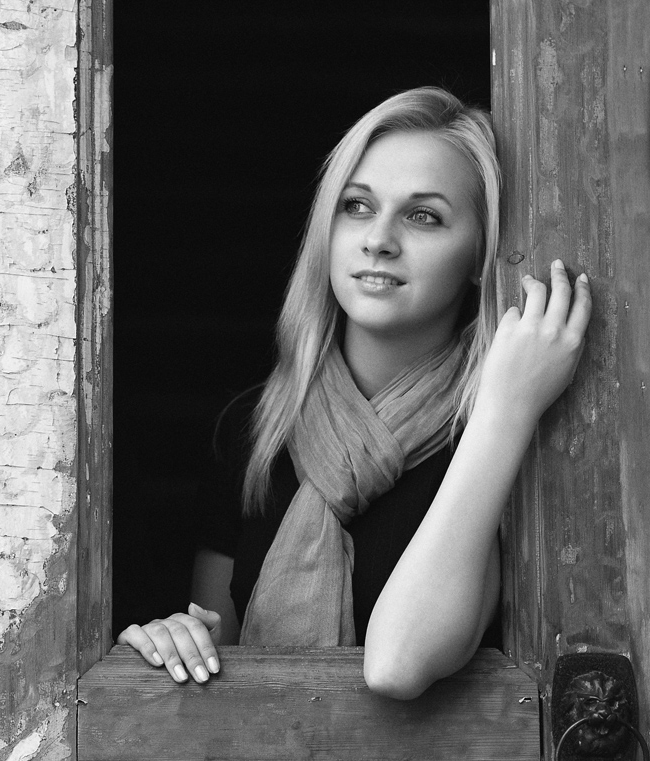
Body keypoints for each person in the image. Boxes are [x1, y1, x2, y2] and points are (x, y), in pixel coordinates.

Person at [116, 86, 591, 699]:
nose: (378, 239)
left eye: (424, 216)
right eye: (357, 206)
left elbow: (397, 665)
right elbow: (216, 669)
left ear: (480, 256)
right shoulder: (255, 431)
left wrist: (507, 408)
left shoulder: (502, 433)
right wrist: (174, 641)